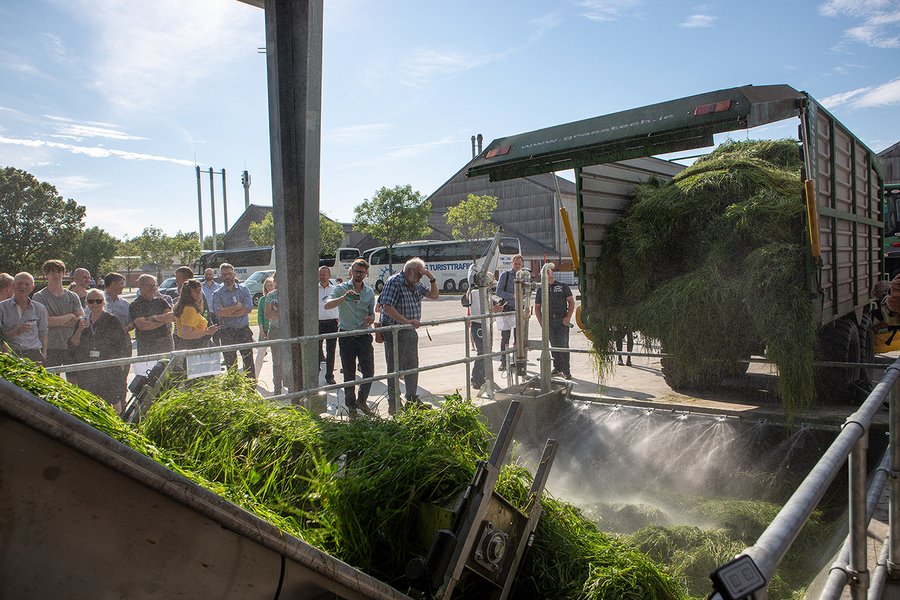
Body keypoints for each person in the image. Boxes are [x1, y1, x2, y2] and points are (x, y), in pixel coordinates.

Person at [379, 257, 439, 414]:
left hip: (410, 330)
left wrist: (430, 277)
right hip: (394, 329)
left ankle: (412, 398)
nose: (420, 277)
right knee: (394, 367)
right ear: (410, 271)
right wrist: (406, 322)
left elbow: (434, 295)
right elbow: (387, 307)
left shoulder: (416, 283)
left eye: (421, 275)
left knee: (412, 365)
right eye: (419, 274)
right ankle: (394, 403)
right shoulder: (394, 282)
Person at [325, 258, 377, 417]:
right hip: (346, 336)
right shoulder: (341, 288)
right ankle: (351, 406)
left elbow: (372, 313)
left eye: (362, 272)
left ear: (366, 273)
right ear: (351, 272)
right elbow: (327, 304)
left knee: (369, 372)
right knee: (349, 372)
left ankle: (362, 400)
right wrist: (343, 298)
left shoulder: (368, 292)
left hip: (363, 335)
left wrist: (371, 318)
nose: (358, 274)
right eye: (356, 271)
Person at [68, 288, 132, 413]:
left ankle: (119, 424)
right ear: (86, 303)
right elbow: (73, 344)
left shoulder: (112, 320)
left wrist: (120, 366)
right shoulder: (82, 321)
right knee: (90, 400)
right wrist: (80, 330)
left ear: (104, 303)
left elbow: (120, 345)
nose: (94, 304)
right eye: (91, 301)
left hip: (108, 367)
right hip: (88, 369)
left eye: (98, 301)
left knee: (114, 399)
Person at [33, 259, 83, 368]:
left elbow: (80, 320)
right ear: (46, 274)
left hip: (71, 344)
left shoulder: (73, 296)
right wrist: (70, 316)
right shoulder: (39, 297)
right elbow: (45, 322)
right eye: (52, 272)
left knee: (73, 380)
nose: (56, 275)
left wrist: (56, 321)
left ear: (64, 273)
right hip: (49, 346)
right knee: (50, 379)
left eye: (59, 272)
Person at [212, 262, 255, 378]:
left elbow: (248, 308)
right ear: (221, 276)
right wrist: (236, 307)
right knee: (231, 365)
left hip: (243, 330)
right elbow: (218, 313)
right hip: (227, 332)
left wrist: (227, 312)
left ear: (234, 274)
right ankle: (234, 389)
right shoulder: (217, 293)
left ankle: (251, 389)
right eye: (224, 274)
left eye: (229, 274)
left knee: (249, 363)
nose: (227, 277)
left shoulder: (244, 290)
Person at [534, 265, 575, 379]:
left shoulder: (563, 286)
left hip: (562, 320)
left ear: (552, 273)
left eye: (549, 271)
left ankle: (566, 371)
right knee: (553, 346)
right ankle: (557, 368)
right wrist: (541, 322)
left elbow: (571, 302)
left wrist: (568, 318)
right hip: (549, 322)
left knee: (563, 346)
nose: (547, 274)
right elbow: (537, 307)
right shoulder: (541, 289)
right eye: (544, 272)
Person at [0, 272, 48, 363]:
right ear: (13, 285)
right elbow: (0, 337)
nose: (23, 286)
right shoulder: (2, 308)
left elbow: (43, 332)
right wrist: (14, 332)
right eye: (20, 283)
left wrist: (44, 352)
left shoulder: (40, 308)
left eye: (27, 284)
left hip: (34, 354)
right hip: (10, 354)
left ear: (32, 287)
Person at [129, 274, 175, 356]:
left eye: (155, 285)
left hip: (166, 344)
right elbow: (143, 325)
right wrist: (163, 320)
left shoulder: (161, 301)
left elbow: (171, 316)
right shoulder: (135, 305)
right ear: (140, 286)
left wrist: (153, 318)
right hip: (147, 346)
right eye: (149, 286)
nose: (153, 288)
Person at [495, 254, 524, 371]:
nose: (517, 266)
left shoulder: (524, 276)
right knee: (505, 337)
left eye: (519, 264)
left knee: (519, 338)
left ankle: (518, 361)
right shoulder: (505, 275)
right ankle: (504, 361)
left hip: (519, 310)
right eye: (515, 264)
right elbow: (498, 291)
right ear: (512, 264)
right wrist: (513, 295)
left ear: (522, 264)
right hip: (507, 309)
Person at [174, 279, 220, 350]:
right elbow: (187, 334)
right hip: (193, 345)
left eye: (199, 290)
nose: (198, 293)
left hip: (188, 344)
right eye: (195, 291)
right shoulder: (190, 310)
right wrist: (207, 331)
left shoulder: (183, 307)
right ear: (188, 294)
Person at [263, 273, 286, 394]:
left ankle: (291, 384)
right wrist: (284, 315)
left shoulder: (290, 294)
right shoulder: (271, 296)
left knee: (290, 359)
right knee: (277, 360)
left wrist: (278, 314)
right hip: (275, 331)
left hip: (289, 332)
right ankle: (277, 386)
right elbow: (268, 314)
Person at [317, 266, 339, 385]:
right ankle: (314, 376)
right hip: (318, 323)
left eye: (325, 274)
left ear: (329, 276)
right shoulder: (314, 289)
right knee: (316, 351)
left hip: (332, 323)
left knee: (331, 351)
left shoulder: (335, 289)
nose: (322, 276)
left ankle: (329, 376)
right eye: (320, 274)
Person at [255, 276, 276, 376]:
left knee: (276, 356)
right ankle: (254, 377)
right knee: (260, 354)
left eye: (271, 285)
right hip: (265, 329)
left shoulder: (277, 297)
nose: (269, 287)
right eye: (267, 286)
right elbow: (260, 315)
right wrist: (261, 330)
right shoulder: (263, 300)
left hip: (275, 329)